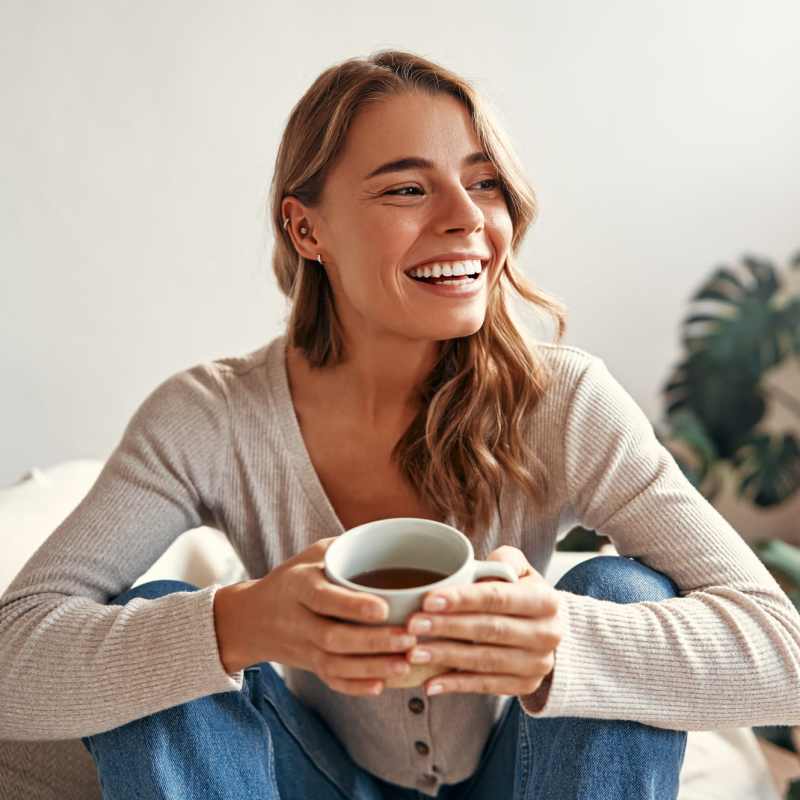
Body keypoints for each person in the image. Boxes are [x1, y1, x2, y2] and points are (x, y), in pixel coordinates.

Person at [1, 49, 798, 800]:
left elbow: (782, 652)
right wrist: (234, 622)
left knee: (618, 593)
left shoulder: (565, 400)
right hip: (312, 774)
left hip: (524, 773)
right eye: (407, 189)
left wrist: (565, 643)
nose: (467, 219)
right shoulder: (210, 419)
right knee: (163, 623)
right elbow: (14, 661)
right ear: (306, 229)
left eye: (485, 184)